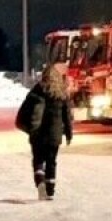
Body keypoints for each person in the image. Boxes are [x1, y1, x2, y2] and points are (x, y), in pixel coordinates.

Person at [20, 64, 73, 200]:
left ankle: (40, 183)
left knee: (38, 160)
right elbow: (67, 116)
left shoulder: (37, 90)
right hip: (54, 135)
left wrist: (26, 126)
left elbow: (26, 109)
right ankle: (50, 191)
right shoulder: (62, 93)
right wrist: (68, 134)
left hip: (37, 133)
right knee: (51, 162)